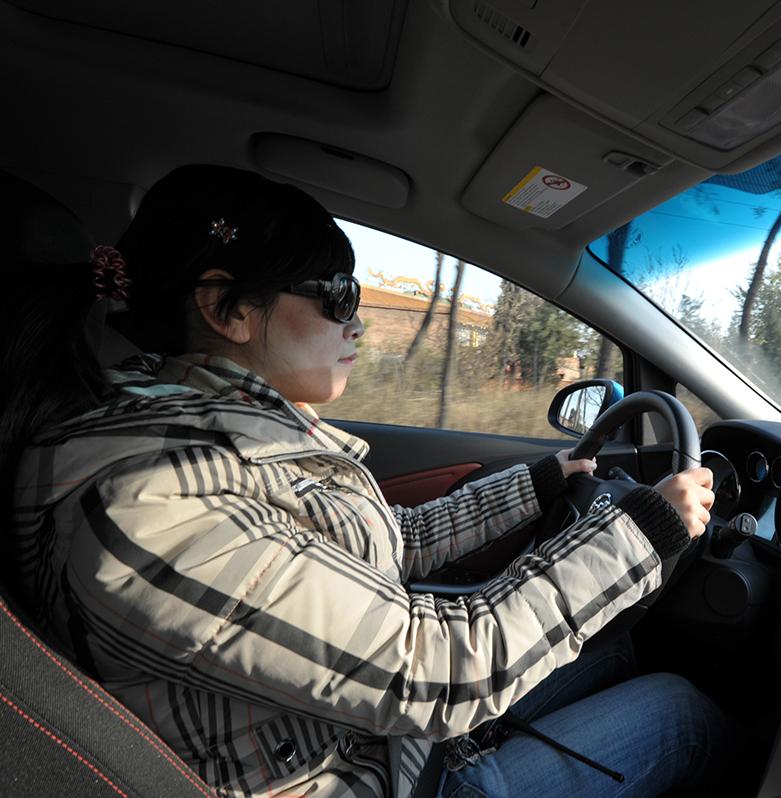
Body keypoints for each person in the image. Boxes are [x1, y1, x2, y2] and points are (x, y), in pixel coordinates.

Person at [1, 166, 735, 798]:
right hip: (371, 775)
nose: (358, 324)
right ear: (226, 308)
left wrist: (541, 484)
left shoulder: (215, 437)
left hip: (370, 737)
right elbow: (443, 670)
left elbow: (379, 546)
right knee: (685, 713)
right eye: (337, 296)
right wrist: (644, 531)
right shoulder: (151, 500)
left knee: (614, 651)